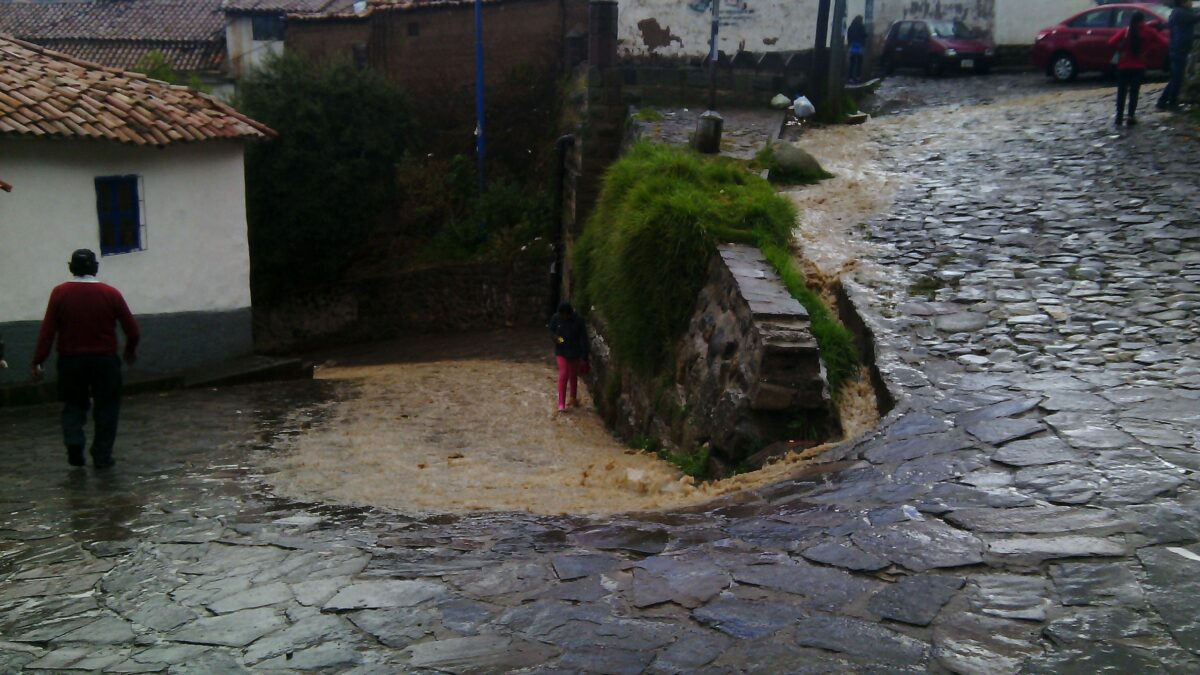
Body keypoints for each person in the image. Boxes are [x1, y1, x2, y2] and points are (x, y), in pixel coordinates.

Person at [32, 249, 139, 468]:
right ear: (95, 267)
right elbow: (133, 330)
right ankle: (102, 455)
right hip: (105, 361)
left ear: (71, 267)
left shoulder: (60, 293)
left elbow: (48, 332)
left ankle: (74, 443)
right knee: (107, 407)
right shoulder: (111, 294)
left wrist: (38, 360)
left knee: (73, 405)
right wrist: (129, 350)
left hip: (71, 361)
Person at [1109, 11, 1168, 126]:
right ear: (1143, 20)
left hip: (1123, 66)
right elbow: (1164, 43)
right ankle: (1131, 116)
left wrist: (1121, 51)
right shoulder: (1149, 32)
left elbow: (1111, 42)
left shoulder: (1126, 31)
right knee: (1134, 92)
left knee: (1121, 92)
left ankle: (1119, 117)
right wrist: (1148, 51)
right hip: (1139, 66)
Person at [1157, 0, 1199, 111]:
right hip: (1178, 50)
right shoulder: (1181, 13)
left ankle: (1163, 101)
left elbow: (1184, 31)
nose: (1191, 3)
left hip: (1177, 49)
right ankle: (1171, 102)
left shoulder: (1178, 12)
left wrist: (1196, 36)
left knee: (1176, 78)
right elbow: (1196, 18)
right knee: (1177, 79)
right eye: (1189, 1)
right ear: (1183, 3)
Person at [549, 302, 588, 413]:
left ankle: (573, 398)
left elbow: (583, 338)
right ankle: (561, 403)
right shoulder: (556, 318)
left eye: (566, 315)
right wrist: (557, 339)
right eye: (562, 315)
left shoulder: (579, 320)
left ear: (570, 314)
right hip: (561, 351)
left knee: (573, 375)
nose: (564, 317)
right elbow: (551, 331)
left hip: (575, 351)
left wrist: (585, 356)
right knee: (564, 373)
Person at [847, 15, 867, 84]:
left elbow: (848, 36)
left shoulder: (851, 27)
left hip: (852, 46)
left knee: (852, 62)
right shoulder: (861, 27)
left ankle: (850, 78)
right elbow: (864, 35)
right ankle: (858, 77)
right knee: (859, 62)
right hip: (859, 46)